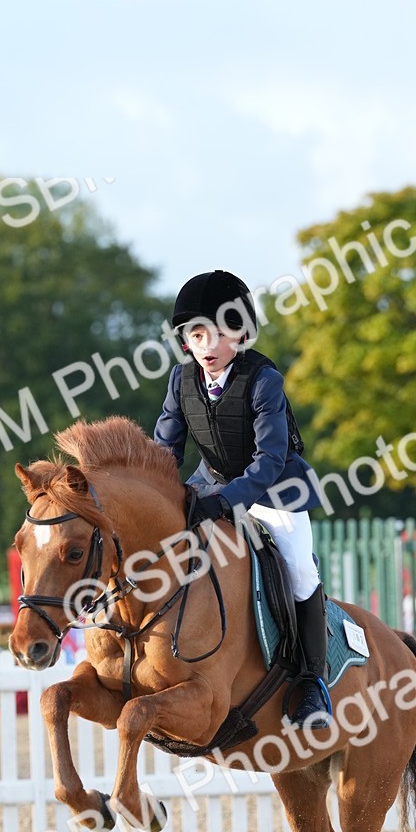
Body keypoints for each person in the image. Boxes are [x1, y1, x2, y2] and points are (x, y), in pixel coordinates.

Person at [154, 269, 331, 730]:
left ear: (241, 333)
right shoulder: (181, 380)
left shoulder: (264, 379)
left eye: (218, 333)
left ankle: (312, 682)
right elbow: (164, 450)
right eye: (196, 335)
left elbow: (269, 459)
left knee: (299, 568)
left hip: (276, 491)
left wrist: (223, 502)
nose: (207, 346)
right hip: (211, 484)